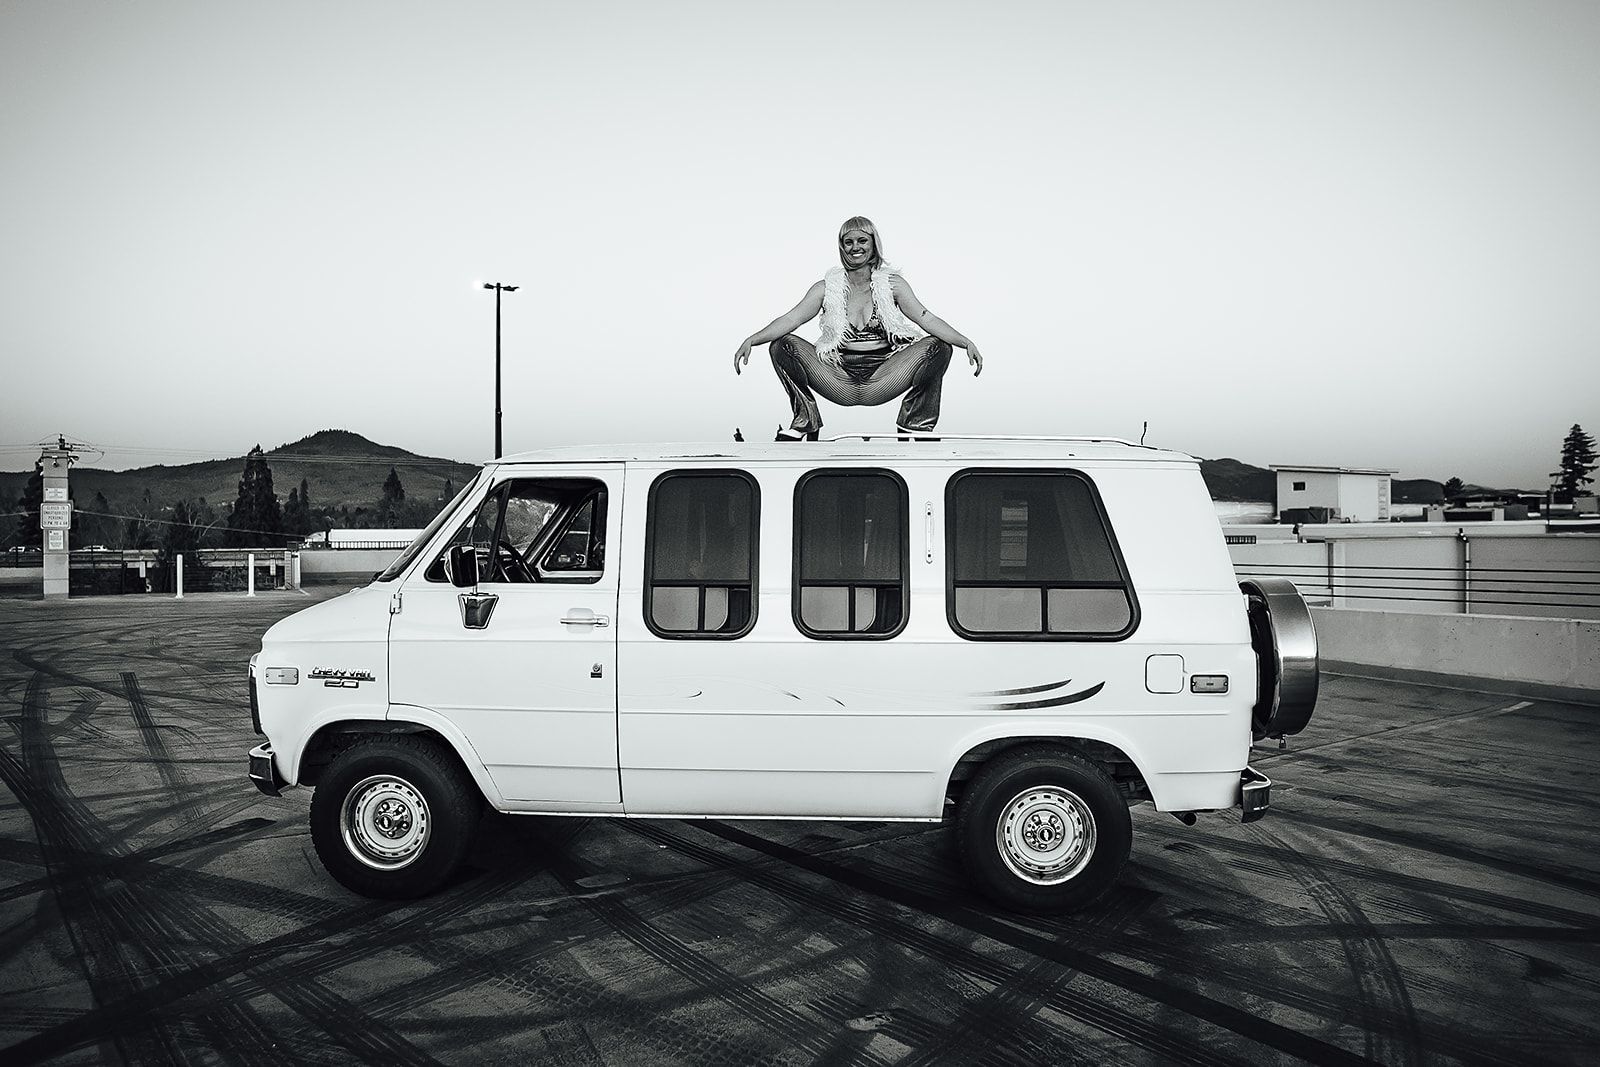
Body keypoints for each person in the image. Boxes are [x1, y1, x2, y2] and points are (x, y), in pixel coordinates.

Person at [733, 217, 983, 440]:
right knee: (782, 345)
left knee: (939, 346)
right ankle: (806, 420)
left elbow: (925, 318)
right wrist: (752, 340)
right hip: (838, 377)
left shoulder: (893, 285)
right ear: (841, 246)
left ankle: (914, 424)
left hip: (883, 376)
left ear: (874, 244)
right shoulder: (825, 288)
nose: (855, 247)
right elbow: (791, 319)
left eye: (862, 240)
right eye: (848, 242)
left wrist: (966, 342)